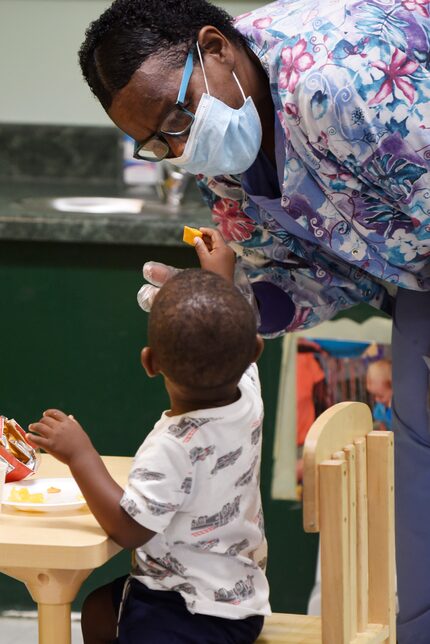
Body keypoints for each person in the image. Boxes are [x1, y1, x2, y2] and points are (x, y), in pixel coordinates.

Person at [77, 1, 430, 641]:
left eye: (178, 118)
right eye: (160, 143)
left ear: (216, 48)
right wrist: (224, 303)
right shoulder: (225, 156)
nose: (182, 148)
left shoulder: (341, 82)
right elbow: (294, 274)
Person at [26, 244, 270, 644]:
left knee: (113, 613)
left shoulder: (172, 447)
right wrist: (217, 278)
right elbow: (227, 332)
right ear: (253, 352)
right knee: (99, 610)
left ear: (150, 363)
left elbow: (129, 529)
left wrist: (80, 455)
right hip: (242, 603)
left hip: (180, 611)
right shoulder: (248, 396)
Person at [366, 359, 393, 430]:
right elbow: (382, 425)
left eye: (380, 396)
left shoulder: (401, 408)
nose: (377, 400)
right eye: (374, 395)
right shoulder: (381, 408)